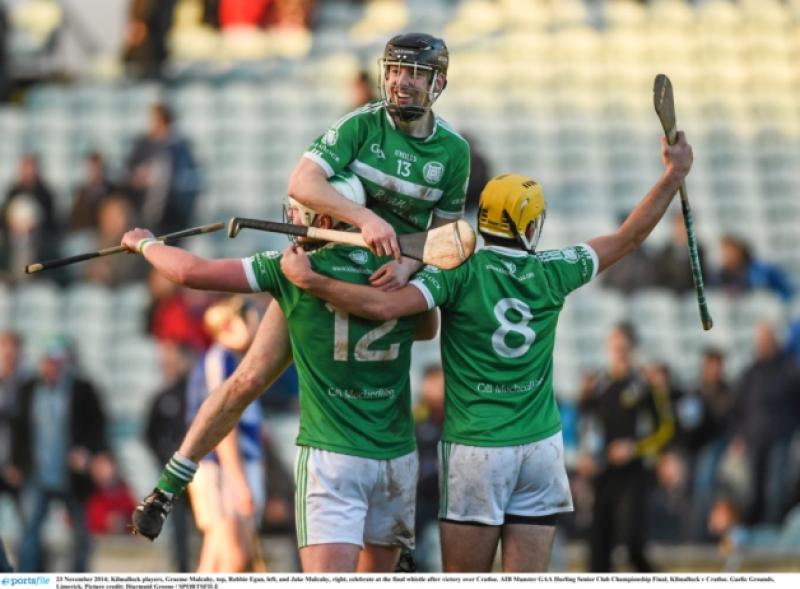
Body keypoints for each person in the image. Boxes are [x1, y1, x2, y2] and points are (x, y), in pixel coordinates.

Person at [278, 133, 694, 571]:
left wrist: (312, 281)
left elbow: (383, 307)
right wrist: (674, 174)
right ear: (530, 228)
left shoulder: (456, 272)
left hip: (476, 452)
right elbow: (629, 237)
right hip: (540, 450)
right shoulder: (555, 269)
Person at [126, 174, 436, 572]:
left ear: (325, 221)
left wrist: (146, 244)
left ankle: (168, 487)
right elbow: (426, 329)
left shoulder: (291, 270)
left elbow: (190, 272)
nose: (292, 216)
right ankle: (169, 485)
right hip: (396, 457)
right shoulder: (400, 269)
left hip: (332, 456)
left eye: (301, 210)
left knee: (243, 383)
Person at [578, 325, 675, 572]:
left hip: (634, 474)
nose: (618, 351)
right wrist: (586, 455)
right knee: (597, 547)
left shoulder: (643, 384)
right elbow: (587, 423)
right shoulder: (599, 383)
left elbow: (665, 428)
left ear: (632, 348)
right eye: (614, 345)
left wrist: (635, 448)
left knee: (631, 541)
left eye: (623, 346)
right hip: (603, 472)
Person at [11, 337, 109, 572]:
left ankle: (77, 578)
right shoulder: (28, 390)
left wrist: (88, 452)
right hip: (37, 472)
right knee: (30, 532)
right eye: (49, 361)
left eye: (58, 361)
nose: (54, 367)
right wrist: (16, 463)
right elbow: (18, 431)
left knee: (80, 533)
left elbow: (97, 428)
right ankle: (27, 579)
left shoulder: (83, 390)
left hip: (72, 475)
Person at [186, 296, 265, 572]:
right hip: (221, 468)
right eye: (252, 320)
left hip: (231, 469)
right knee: (234, 558)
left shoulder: (236, 361)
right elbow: (221, 424)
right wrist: (239, 481)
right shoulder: (221, 360)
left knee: (215, 559)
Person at [125, 102, 201, 235]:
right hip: (148, 212)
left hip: (175, 214)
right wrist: (142, 176)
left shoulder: (180, 147)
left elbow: (190, 176)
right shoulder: (143, 144)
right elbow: (131, 173)